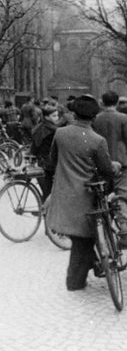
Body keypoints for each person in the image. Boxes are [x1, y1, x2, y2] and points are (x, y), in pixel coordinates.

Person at [46, 94, 121, 291]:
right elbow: (105, 169)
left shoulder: (60, 134)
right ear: (94, 117)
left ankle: (94, 264)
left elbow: (52, 161)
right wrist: (116, 166)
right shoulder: (97, 140)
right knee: (85, 238)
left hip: (64, 194)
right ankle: (75, 282)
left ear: (73, 113)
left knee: (80, 237)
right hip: (87, 196)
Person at [93, 90, 127, 246]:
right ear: (116, 102)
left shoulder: (96, 119)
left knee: (103, 196)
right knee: (121, 195)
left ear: (102, 102)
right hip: (121, 163)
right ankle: (124, 229)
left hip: (102, 163)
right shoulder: (123, 118)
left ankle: (105, 229)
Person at [29, 104, 59, 201]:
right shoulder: (54, 130)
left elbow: (34, 148)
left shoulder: (38, 128)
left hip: (42, 164)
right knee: (50, 192)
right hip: (50, 165)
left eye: (57, 115)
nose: (57, 118)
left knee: (47, 191)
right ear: (46, 117)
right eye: (54, 116)